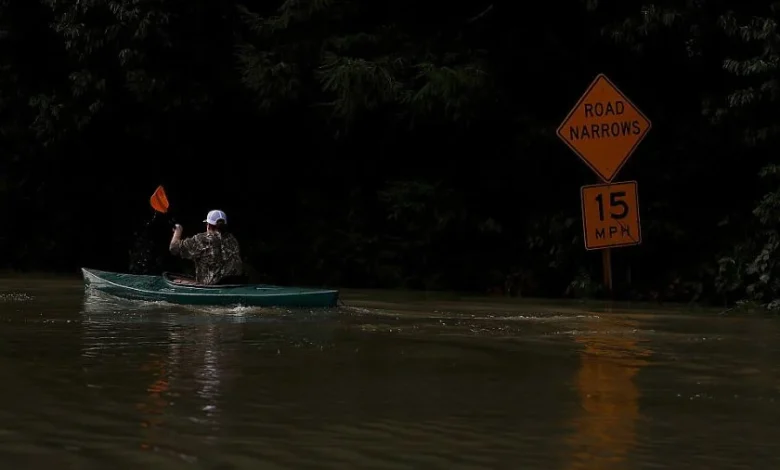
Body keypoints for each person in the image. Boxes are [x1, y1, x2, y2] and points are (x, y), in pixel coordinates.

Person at [169, 209, 244, 285]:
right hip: (233, 284)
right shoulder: (232, 239)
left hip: (212, 287)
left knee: (175, 281)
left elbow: (174, 248)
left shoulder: (201, 239)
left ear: (208, 225)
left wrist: (178, 231)